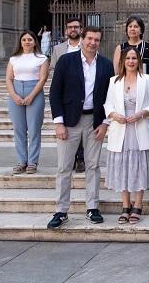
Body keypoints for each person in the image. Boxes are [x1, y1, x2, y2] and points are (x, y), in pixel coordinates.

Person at [47, 26, 114, 229]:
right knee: (64, 167)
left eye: (97, 39)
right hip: (69, 122)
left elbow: (110, 96)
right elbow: (55, 92)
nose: (93, 42)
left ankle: (92, 207)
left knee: (93, 166)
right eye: (90, 38)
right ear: (82, 39)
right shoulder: (67, 61)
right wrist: (58, 122)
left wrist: (105, 123)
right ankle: (61, 210)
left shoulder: (106, 64)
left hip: (94, 121)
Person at [104, 47, 149, 224]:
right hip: (121, 129)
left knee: (139, 166)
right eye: (127, 58)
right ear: (122, 61)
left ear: (139, 60)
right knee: (123, 167)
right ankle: (125, 205)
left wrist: (141, 113)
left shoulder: (148, 80)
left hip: (140, 128)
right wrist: (114, 115)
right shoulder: (114, 81)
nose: (131, 61)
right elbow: (108, 104)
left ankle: (137, 205)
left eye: (134, 58)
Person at [6, 30, 49, 175]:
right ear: (20, 42)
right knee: (19, 129)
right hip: (16, 91)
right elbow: (9, 78)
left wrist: (31, 95)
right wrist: (14, 96)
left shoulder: (41, 58)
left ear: (34, 42)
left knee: (34, 129)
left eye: (29, 39)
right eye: (24, 39)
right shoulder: (14, 58)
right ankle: (21, 161)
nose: (26, 42)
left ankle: (32, 162)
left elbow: (43, 78)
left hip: (34, 91)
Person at [50, 17, 85, 173]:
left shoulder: (87, 45)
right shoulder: (58, 49)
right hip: (66, 95)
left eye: (76, 27)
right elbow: (52, 68)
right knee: (69, 128)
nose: (73, 30)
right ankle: (69, 160)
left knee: (82, 129)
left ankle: (81, 159)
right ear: (66, 30)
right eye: (70, 27)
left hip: (84, 94)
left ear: (81, 29)